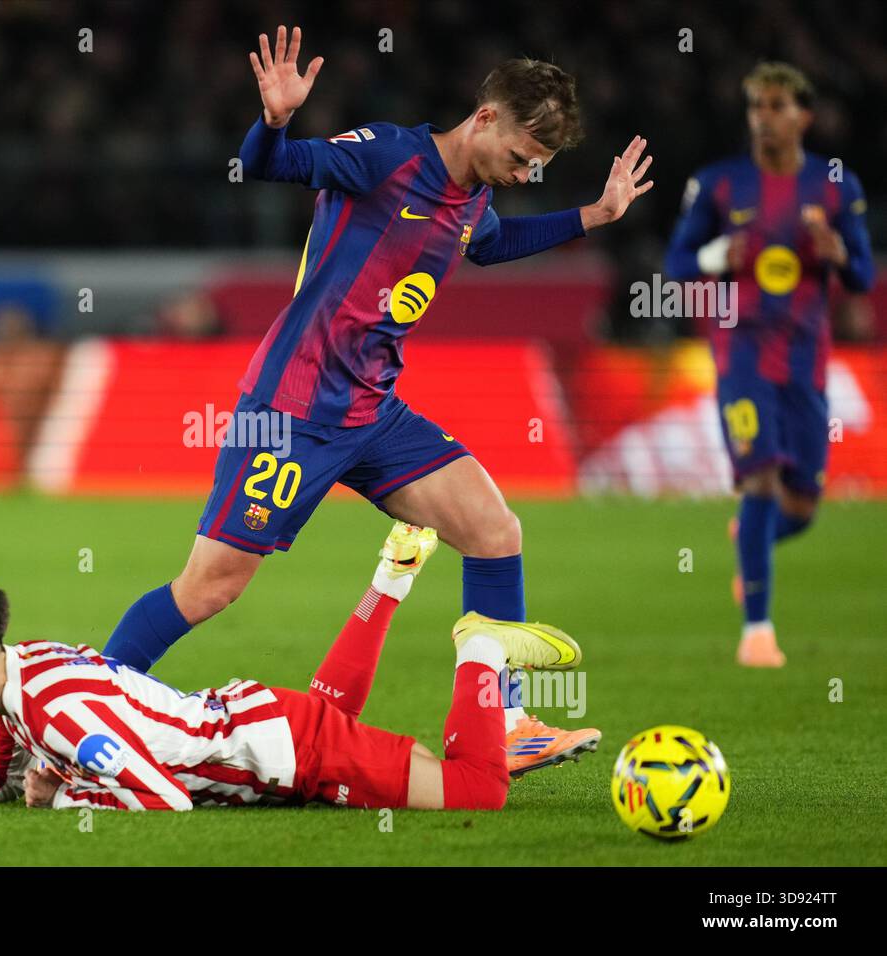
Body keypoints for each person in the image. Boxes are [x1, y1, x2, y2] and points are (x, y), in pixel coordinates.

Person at [101, 24, 647, 773]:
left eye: (540, 167)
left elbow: (487, 245)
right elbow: (269, 165)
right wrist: (275, 119)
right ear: (485, 118)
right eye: (523, 157)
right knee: (210, 587)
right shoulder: (388, 156)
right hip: (294, 408)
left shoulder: (473, 195)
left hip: (373, 412)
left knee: (495, 531)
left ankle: (507, 719)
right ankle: (85, 711)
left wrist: (594, 215)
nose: (526, 175)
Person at [0, 524, 593, 813]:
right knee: (335, 716)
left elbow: (161, 799)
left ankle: (482, 648)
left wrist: (64, 801)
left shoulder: (55, 711)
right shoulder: (22, 680)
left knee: (475, 793)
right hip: (269, 729)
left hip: (287, 750)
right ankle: (393, 577)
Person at [665, 62, 874, 666]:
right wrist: (713, 254)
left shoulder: (837, 186)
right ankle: (758, 631)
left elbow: (862, 276)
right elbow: (676, 264)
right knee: (759, 479)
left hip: (807, 360)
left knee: (803, 506)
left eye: (778, 105)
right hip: (741, 354)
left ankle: (750, 538)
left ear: (804, 115)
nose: (765, 117)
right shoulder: (719, 184)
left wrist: (838, 252)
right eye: (756, 106)